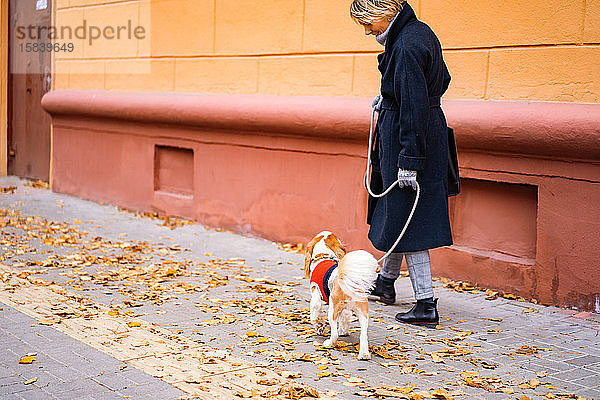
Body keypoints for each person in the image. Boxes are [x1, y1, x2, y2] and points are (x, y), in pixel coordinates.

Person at [350, 0, 453, 327]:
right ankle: (386, 284)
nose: (367, 31)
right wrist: (390, 94)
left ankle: (425, 304)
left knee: (413, 223)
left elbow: (412, 108)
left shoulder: (406, 45)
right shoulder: (420, 32)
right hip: (425, 134)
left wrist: (409, 161)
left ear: (382, 11)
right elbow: (440, 81)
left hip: (410, 142)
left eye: (368, 22)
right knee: (398, 213)